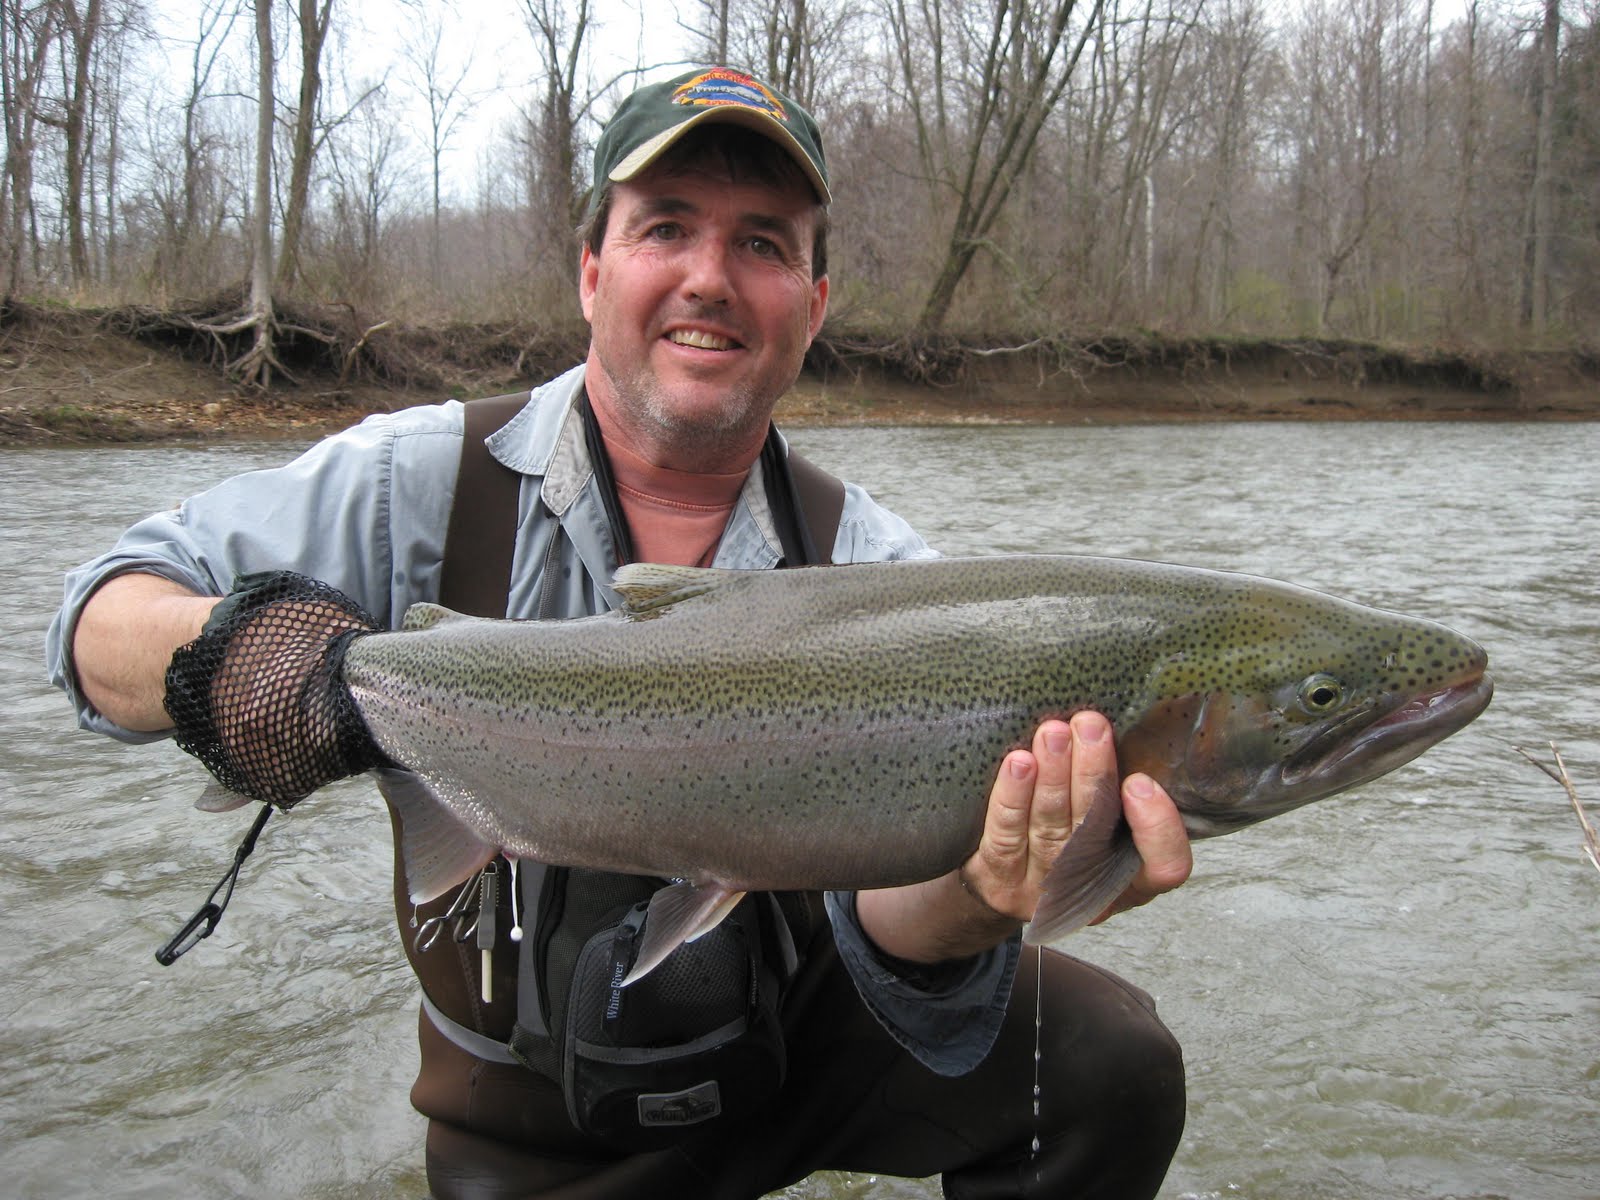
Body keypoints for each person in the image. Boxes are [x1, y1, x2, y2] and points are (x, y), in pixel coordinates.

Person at [48, 67, 1194, 1199]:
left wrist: (983, 895)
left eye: (762, 243)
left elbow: (890, 934)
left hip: (784, 1057)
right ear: (593, 271)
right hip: (520, 1116)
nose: (709, 278)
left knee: (1107, 1063)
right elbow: (96, 620)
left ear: (813, 305)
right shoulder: (421, 479)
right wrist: (290, 676)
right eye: (666, 228)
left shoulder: (881, 575)